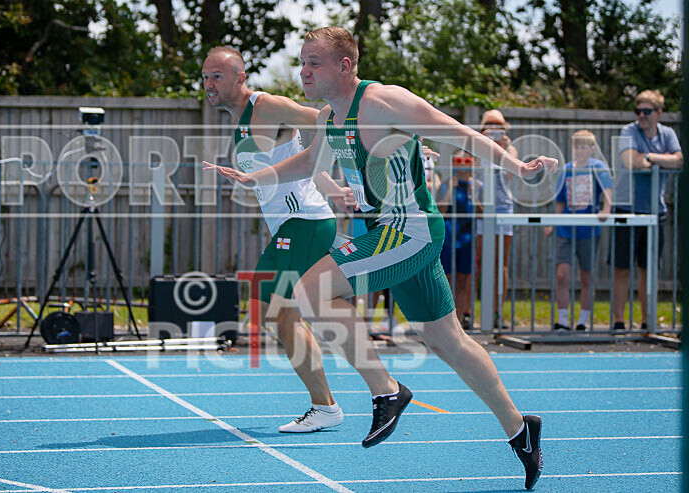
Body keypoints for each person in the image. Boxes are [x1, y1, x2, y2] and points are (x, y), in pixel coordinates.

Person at [204, 27, 556, 490]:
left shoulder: (386, 101)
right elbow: (308, 165)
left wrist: (519, 168)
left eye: (314, 63)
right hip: (384, 234)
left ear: (344, 67)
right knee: (448, 341)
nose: (303, 71)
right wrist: (257, 178)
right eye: (303, 62)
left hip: (409, 230)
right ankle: (520, 430)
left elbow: (459, 133)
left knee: (307, 290)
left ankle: (387, 391)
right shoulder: (332, 117)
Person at [202, 46, 356, 433]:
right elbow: (300, 157)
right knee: (283, 312)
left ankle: (329, 405)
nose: (208, 84)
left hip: (303, 222)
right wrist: (333, 188)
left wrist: (376, 140)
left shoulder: (266, 106)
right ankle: (328, 403)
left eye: (217, 76)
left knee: (270, 306)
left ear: (241, 78)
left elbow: (329, 119)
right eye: (205, 76)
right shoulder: (239, 120)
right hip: (299, 221)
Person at [612, 90, 683, 332]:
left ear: (659, 113)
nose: (641, 115)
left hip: (655, 211)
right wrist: (662, 160)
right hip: (626, 208)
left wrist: (650, 157)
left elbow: (680, 160)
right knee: (622, 268)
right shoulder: (628, 131)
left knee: (648, 269)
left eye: (647, 111)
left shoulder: (668, 134)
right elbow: (630, 161)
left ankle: (647, 323)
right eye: (638, 111)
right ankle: (619, 322)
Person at [544, 130, 612, 331]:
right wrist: (552, 223)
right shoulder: (565, 170)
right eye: (577, 147)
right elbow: (560, 200)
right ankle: (563, 320)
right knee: (562, 274)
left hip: (588, 231)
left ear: (592, 149)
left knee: (587, 276)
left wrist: (606, 209)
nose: (580, 151)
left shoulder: (597, 168)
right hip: (566, 229)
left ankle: (583, 320)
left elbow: (607, 191)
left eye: (584, 147)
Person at [474, 110, 518, 330]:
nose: (494, 129)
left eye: (498, 125)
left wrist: (503, 148)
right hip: (482, 210)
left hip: (503, 209)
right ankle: (475, 312)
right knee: (480, 262)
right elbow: (473, 177)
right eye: (489, 124)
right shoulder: (476, 147)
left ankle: (498, 312)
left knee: (501, 263)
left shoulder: (510, 149)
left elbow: (511, 176)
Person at [437, 150, 481, 330]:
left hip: (467, 239)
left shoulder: (477, 185)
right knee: (446, 280)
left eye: (466, 160)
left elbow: (482, 213)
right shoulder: (446, 184)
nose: (462, 165)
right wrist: (451, 190)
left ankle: (459, 321)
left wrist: (474, 195)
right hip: (448, 238)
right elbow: (441, 212)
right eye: (458, 160)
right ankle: (444, 322)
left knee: (464, 280)